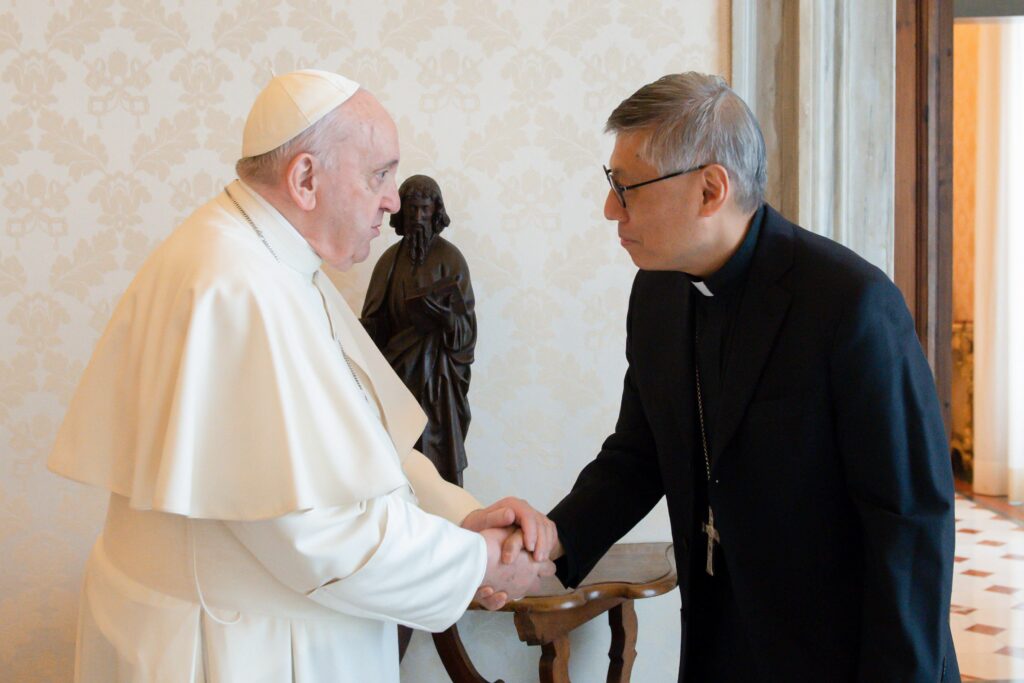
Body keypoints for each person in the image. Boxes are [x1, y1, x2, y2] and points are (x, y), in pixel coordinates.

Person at [48, 69, 557, 683]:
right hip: (233, 651)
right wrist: (475, 561)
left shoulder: (276, 262)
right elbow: (319, 533)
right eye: (379, 175)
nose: (393, 201)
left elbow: (362, 441)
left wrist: (455, 515)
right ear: (306, 179)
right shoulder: (236, 287)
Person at [545, 73, 959, 681]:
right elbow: (638, 456)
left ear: (710, 189)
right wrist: (553, 541)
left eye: (626, 187)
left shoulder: (851, 304)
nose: (611, 209)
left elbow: (910, 525)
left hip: (844, 656)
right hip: (718, 643)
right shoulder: (657, 293)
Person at [362, 174, 476, 486]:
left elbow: (466, 330)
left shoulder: (451, 260)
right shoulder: (388, 262)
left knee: (438, 460)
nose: (417, 217)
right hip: (397, 380)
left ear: (436, 211)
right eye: (411, 209)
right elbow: (373, 322)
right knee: (400, 458)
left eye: (424, 209)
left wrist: (445, 319)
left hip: (438, 384)